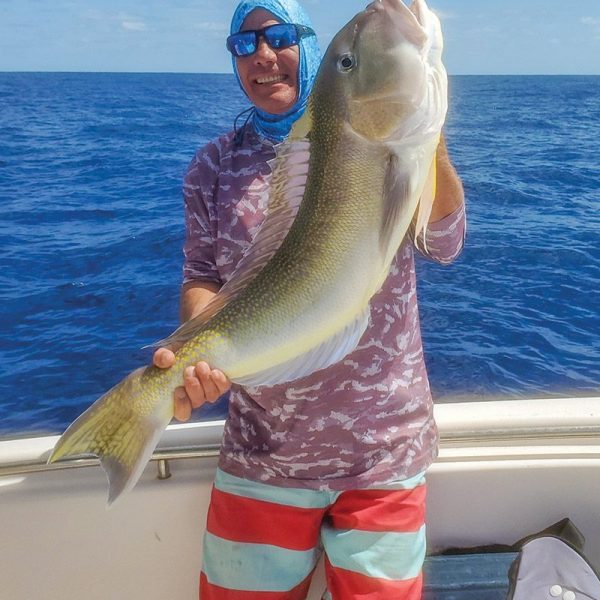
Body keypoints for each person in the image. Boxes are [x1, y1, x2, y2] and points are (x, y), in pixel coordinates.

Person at [154, 0, 466, 598]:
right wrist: (193, 357)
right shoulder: (212, 166)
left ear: (314, 48)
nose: (263, 56)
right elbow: (201, 276)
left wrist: (426, 138)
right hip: (262, 453)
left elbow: (445, 244)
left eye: (278, 36)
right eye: (244, 44)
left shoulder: (392, 147)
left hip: (383, 452)